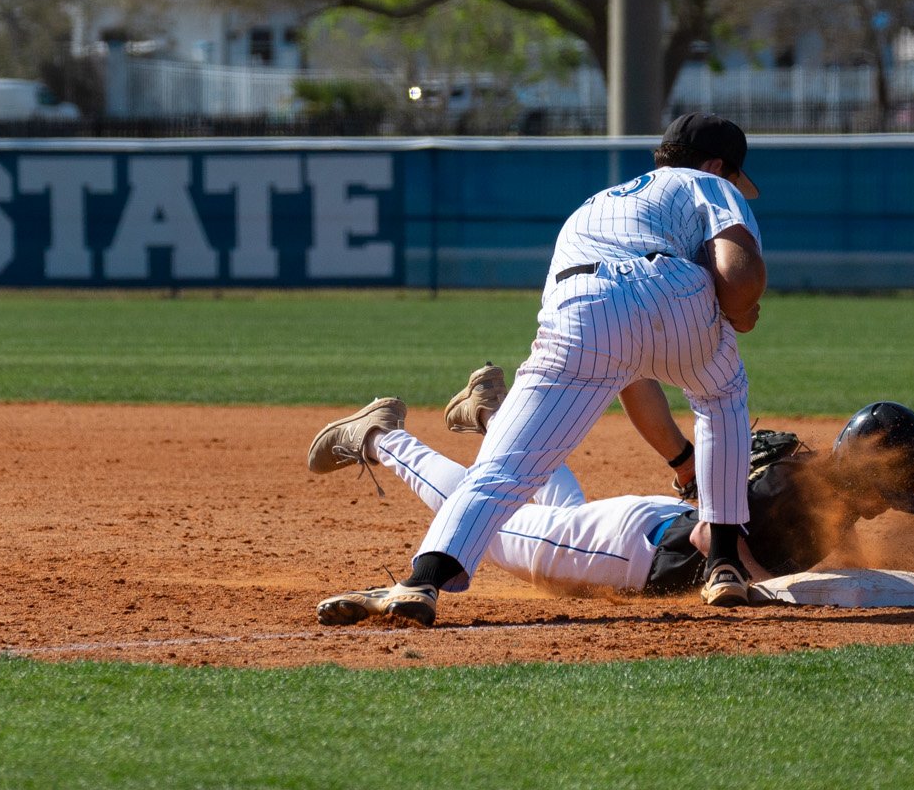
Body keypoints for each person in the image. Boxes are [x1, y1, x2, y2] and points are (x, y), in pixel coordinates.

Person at [316, 112, 769, 627]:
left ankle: (422, 582)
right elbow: (734, 273)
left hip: (582, 305)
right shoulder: (708, 183)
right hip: (676, 288)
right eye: (733, 174)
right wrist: (740, 308)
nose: (733, 183)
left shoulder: (597, 205)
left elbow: (630, 360)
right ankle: (725, 562)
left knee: (504, 470)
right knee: (721, 396)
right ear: (715, 164)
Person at [304, 368, 914, 600]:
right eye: (888, 491)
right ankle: (381, 436)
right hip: (636, 551)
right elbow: (712, 536)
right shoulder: (799, 492)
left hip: (642, 525)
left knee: (545, 507)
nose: (887, 508)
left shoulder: (829, 494)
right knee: (491, 528)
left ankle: (498, 416)